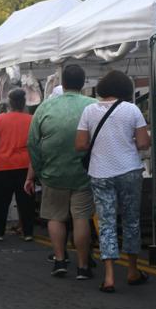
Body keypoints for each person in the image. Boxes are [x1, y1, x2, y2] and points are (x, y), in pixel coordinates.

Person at [75, 70, 150, 292]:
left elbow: (79, 144)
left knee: (106, 222)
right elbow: (144, 143)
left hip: (100, 172)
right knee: (131, 220)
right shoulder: (132, 109)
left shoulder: (89, 111)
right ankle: (132, 270)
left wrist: (100, 147)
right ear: (125, 89)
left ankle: (108, 277)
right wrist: (125, 145)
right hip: (129, 170)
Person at [26, 64, 95, 279]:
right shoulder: (93, 106)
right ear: (83, 83)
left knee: (55, 218)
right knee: (81, 218)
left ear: (61, 83)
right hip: (84, 173)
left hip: (53, 172)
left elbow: (33, 144)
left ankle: (59, 260)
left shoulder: (45, 108)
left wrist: (39, 170)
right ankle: (83, 266)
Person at [0, 89, 35, 242]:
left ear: (9, 103)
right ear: (24, 103)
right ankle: (28, 232)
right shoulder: (31, 119)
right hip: (25, 164)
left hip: (3, 164)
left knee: (1, 201)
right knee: (26, 201)